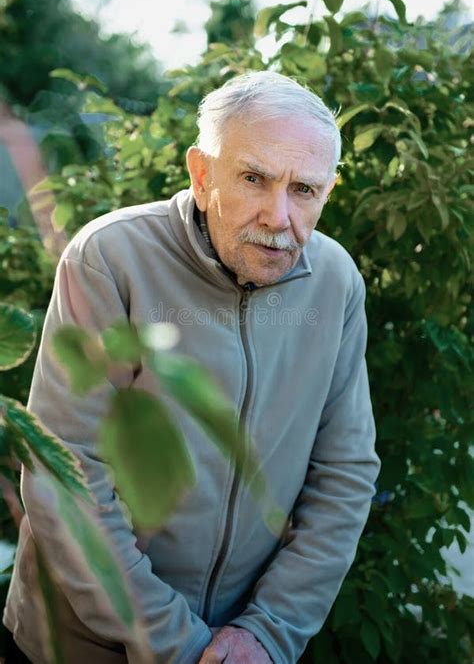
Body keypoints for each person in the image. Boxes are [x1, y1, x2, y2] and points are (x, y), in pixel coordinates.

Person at [3, 71, 381, 664]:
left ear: (328, 191)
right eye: (254, 178)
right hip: (78, 646)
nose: (279, 216)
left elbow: (345, 472)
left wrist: (269, 631)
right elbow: (65, 470)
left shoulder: (336, 283)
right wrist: (179, 645)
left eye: (303, 189)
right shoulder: (110, 259)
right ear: (202, 176)